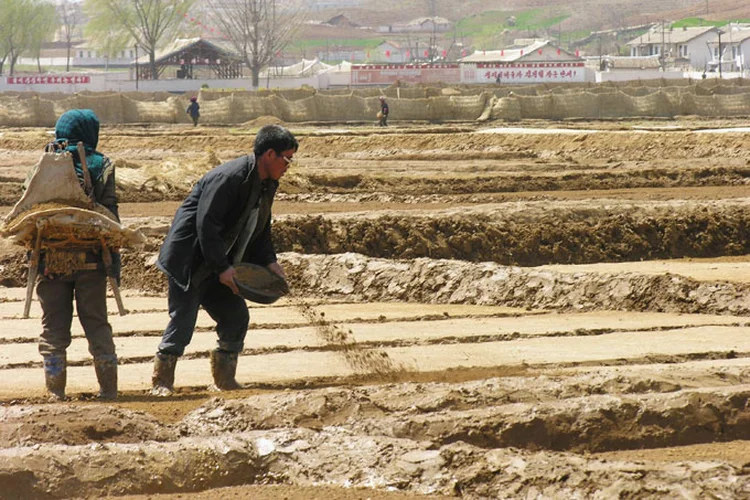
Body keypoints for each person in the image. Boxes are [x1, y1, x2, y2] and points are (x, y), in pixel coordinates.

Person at [151, 124, 298, 395]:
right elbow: (206, 225)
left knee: (235, 316)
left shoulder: (267, 184)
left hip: (219, 262)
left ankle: (224, 379)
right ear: (269, 154)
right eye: (287, 158)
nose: (289, 165)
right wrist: (221, 268)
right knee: (183, 320)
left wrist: (270, 262)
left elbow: (261, 228)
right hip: (190, 260)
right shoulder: (230, 178)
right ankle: (162, 381)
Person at [37, 109, 120, 401]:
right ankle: (108, 390)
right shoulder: (102, 165)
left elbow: (31, 213)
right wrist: (115, 266)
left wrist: (36, 265)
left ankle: (55, 391)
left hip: (51, 263)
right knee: (97, 323)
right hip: (92, 262)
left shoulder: (44, 165)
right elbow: (111, 216)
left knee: (54, 328)